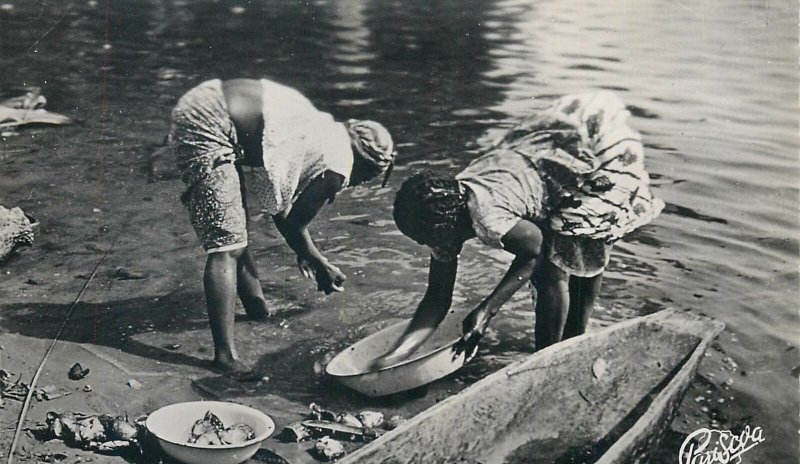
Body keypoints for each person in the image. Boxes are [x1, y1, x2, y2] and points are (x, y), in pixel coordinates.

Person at [374, 91, 663, 368]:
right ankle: (565, 347)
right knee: (556, 253)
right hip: (548, 148)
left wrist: (487, 311)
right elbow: (437, 298)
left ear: (449, 227)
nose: (433, 248)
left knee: (562, 260)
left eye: (431, 240)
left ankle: (557, 355)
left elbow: (534, 249)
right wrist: (394, 357)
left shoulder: (487, 216)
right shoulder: (446, 209)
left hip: (595, 145)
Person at [170, 78, 395, 379]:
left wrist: (310, 255)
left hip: (210, 103)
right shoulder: (338, 166)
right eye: (367, 179)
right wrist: (318, 261)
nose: (359, 184)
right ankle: (224, 357)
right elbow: (293, 225)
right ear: (366, 164)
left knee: (235, 233)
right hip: (209, 123)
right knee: (227, 248)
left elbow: (278, 205)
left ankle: (257, 312)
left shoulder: (323, 128)